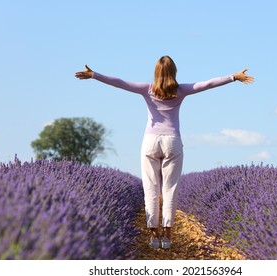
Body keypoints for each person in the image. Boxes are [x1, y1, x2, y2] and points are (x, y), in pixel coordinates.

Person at [75, 56, 254, 249]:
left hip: (150, 141)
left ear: (156, 72)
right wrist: (233, 77)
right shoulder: (181, 90)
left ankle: (153, 236)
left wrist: (94, 75)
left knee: (150, 189)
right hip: (172, 141)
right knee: (170, 189)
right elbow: (207, 84)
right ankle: (167, 237)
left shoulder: (147, 88)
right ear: (174, 72)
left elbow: (119, 83)